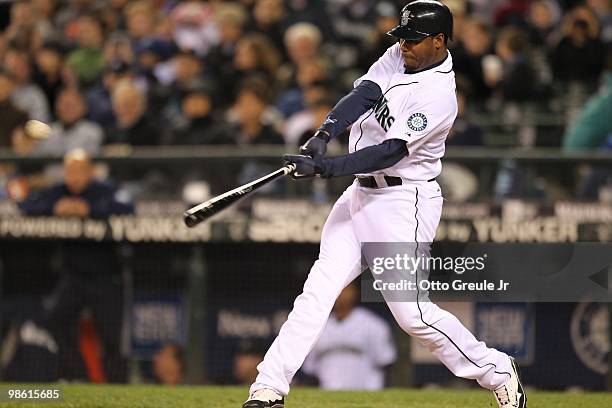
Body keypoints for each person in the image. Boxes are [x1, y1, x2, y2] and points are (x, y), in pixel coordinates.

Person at [243, 2, 526, 408]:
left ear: (439, 41)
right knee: (317, 292)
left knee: (413, 317)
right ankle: (268, 388)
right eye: (403, 38)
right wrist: (322, 135)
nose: (404, 46)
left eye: (413, 40)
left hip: (402, 201)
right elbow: (365, 93)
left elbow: (389, 152)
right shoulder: (402, 55)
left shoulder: (439, 94)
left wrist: (324, 167)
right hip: (360, 194)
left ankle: (497, 369)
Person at [18, 149, 134, 382]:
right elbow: (26, 206)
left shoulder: (104, 190)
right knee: (55, 322)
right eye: (70, 172)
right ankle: (78, 377)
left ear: (90, 171)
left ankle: (118, 388)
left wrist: (90, 211)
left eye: (80, 171)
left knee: (112, 338)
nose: (75, 177)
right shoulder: (59, 192)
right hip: (74, 276)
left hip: (107, 276)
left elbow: (127, 208)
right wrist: (54, 209)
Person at [302, 282, 396, 390]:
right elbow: (310, 370)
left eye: (345, 289)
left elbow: (386, 362)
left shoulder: (373, 324)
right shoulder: (317, 328)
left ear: (355, 292)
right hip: (327, 395)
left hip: (366, 394)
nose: (340, 294)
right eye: (336, 290)